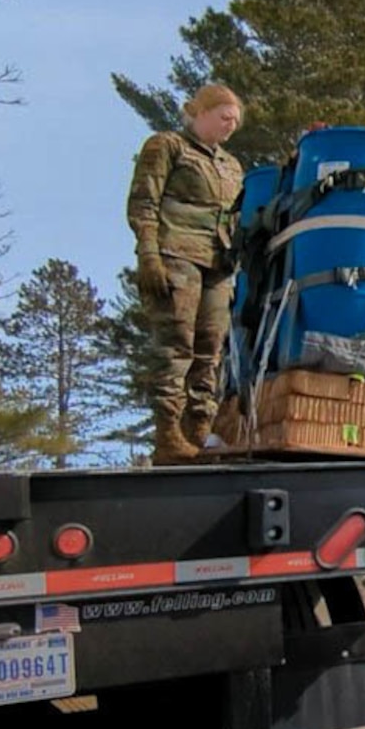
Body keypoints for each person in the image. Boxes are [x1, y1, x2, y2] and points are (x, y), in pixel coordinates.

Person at [126, 84, 245, 463]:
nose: (230, 126)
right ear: (201, 112)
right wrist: (148, 254)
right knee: (175, 346)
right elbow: (144, 201)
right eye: (224, 117)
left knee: (209, 351)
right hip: (175, 254)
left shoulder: (230, 165)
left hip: (218, 264)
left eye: (235, 122)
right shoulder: (167, 146)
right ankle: (169, 437)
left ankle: (197, 432)